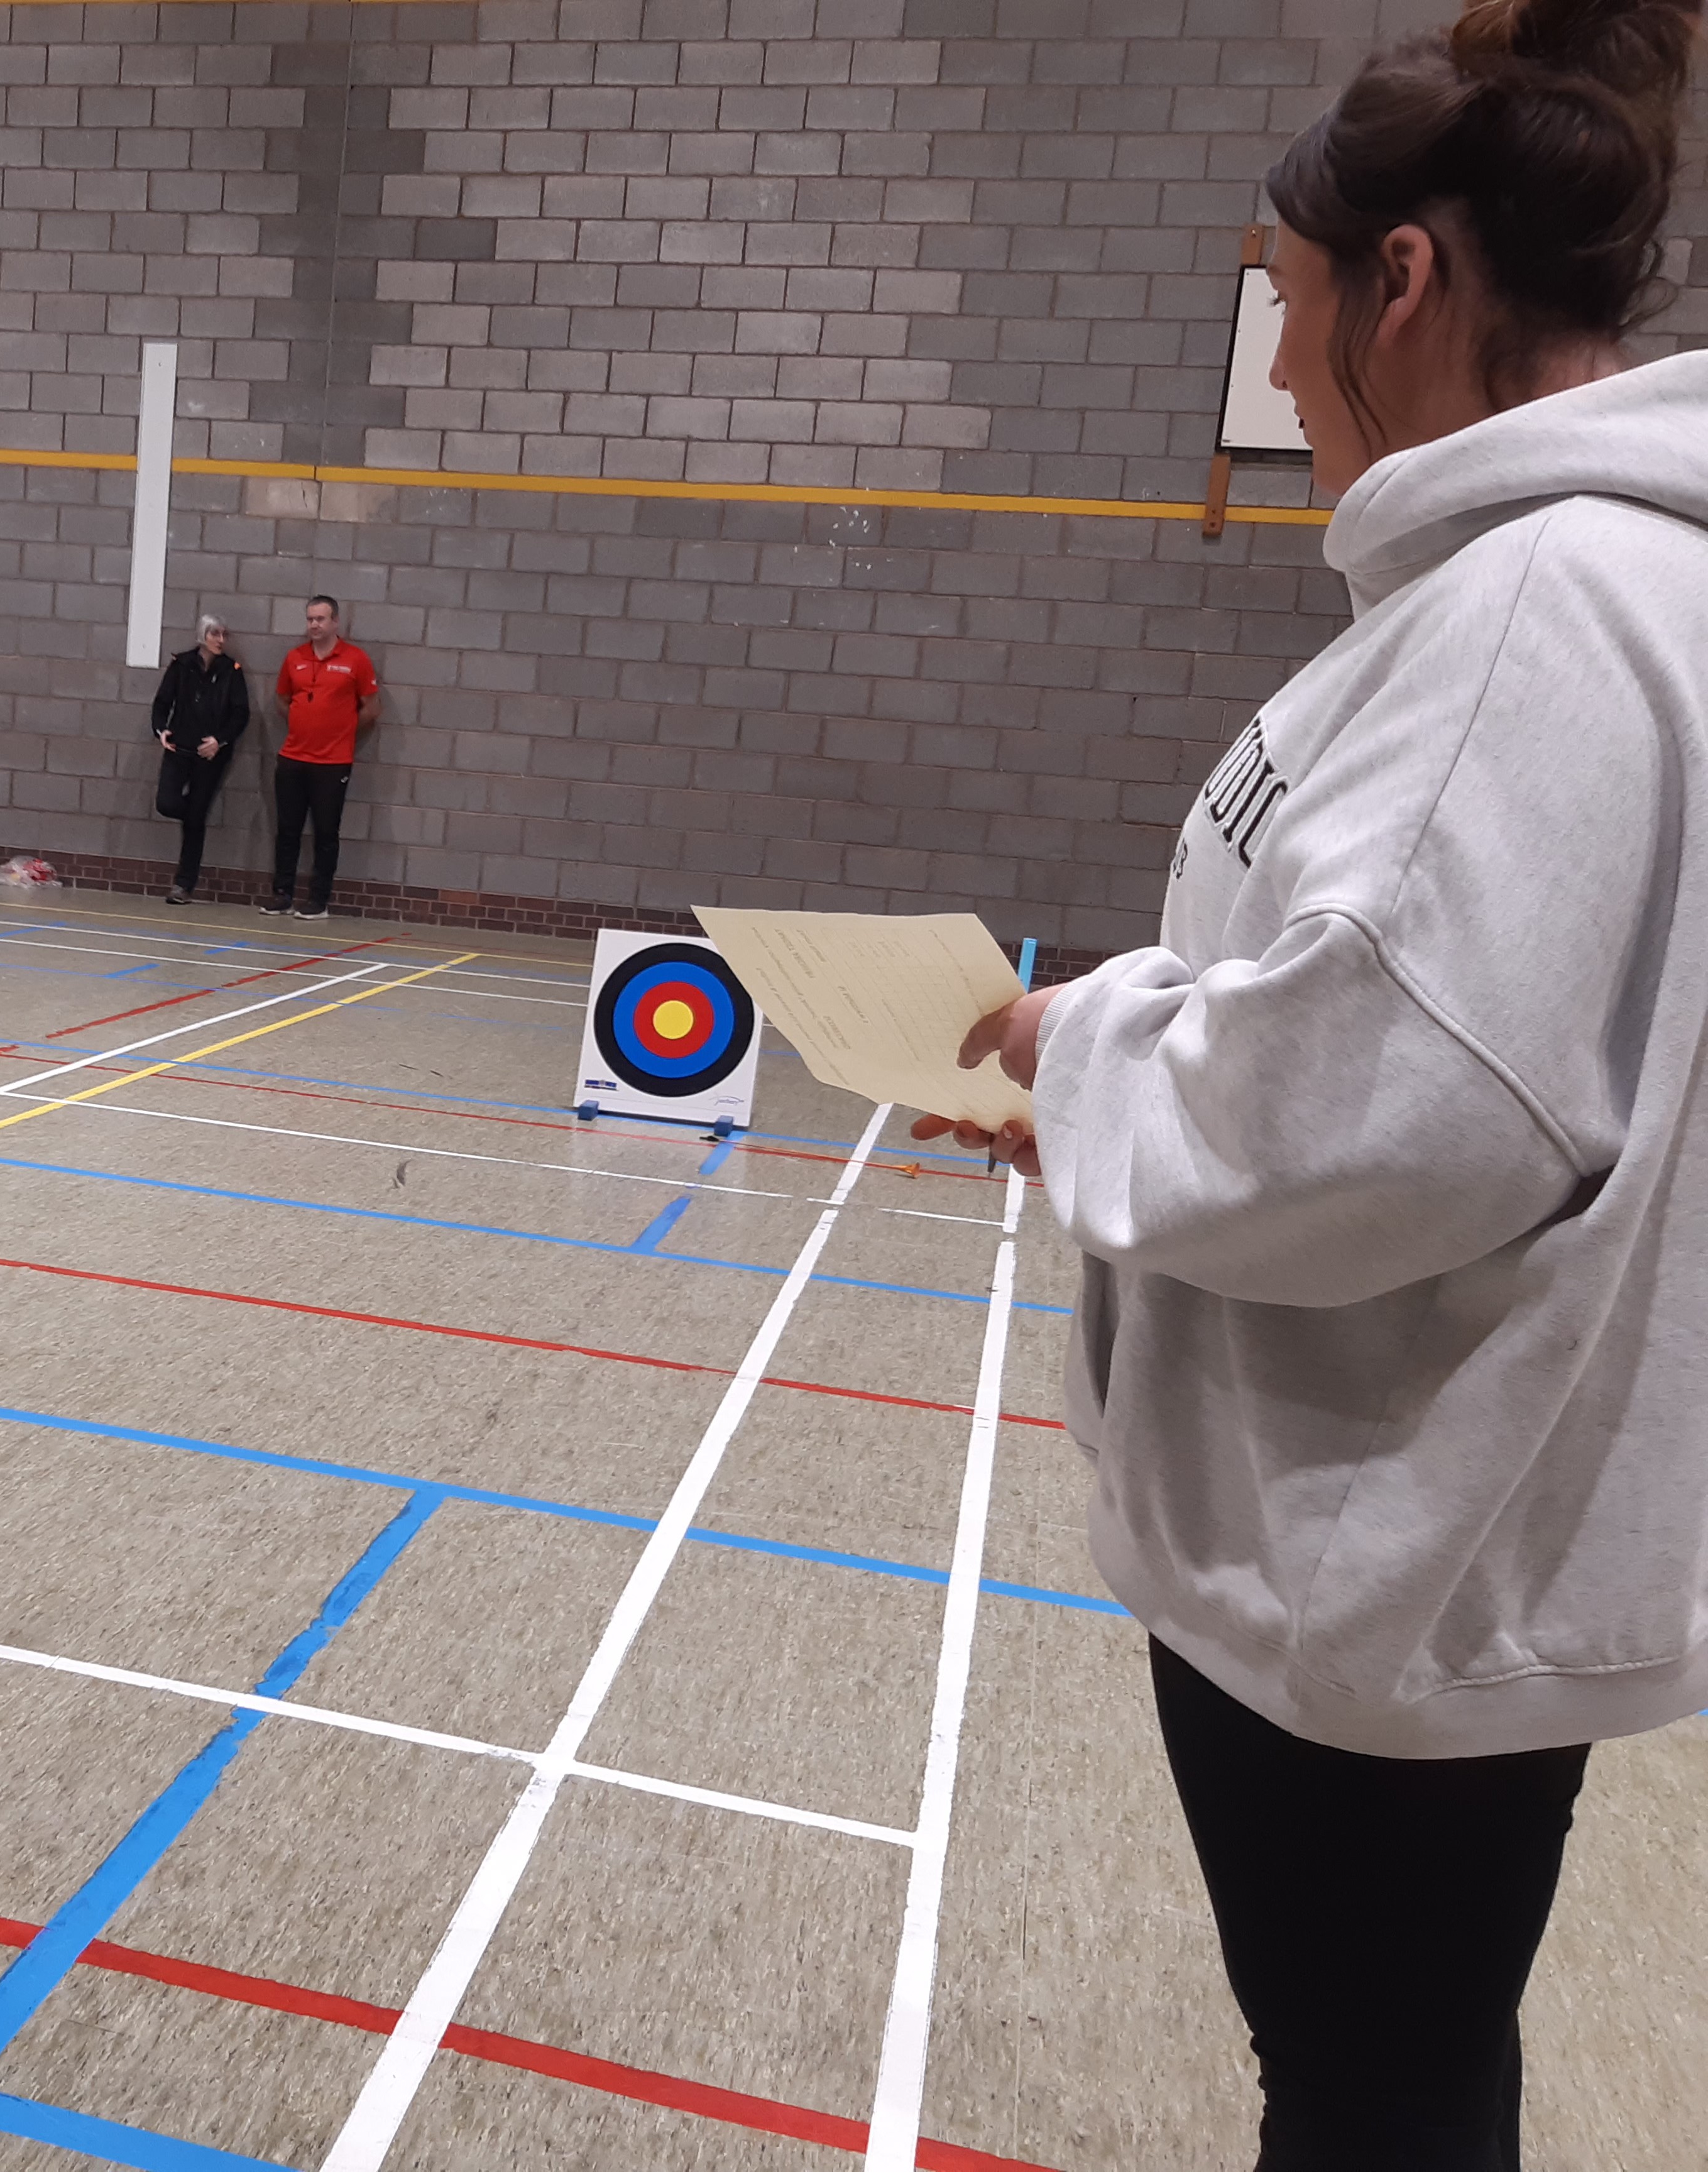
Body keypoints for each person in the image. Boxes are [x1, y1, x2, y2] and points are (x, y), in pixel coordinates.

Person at [919, 1, 1707, 2161]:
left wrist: (1093, 1052)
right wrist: (1105, 1062)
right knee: (1386, 2070)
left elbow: (1402, 1095)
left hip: (1385, 1545)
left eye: (1278, 304)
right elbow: (1387, 997)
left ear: (1402, 280)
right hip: (1406, 1528)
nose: (1268, 370)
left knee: (1370, 2090)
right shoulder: (1533, 589)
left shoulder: (1548, 601)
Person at [264, 593, 379, 919]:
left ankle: (318, 900)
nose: (314, 625)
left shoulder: (356, 659)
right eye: (310, 619)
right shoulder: (295, 658)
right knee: (287, 829)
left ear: (335, 622)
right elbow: (282, 700)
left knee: (326, 833)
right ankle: (282, 894)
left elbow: (372, 708)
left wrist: (340, 733)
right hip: (293, 758)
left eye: (321, 619)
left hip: (332, 763)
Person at [150, 613, 248, 902]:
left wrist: (220, 741)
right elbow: (162, 702)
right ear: (202, 636)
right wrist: (161, 730)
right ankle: (193, 814)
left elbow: (241, 713)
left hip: (210, 755)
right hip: (179, 749)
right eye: (214, 634)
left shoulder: (232, 670)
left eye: (223, 635)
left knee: (195, 823)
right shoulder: (181, 665)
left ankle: (184, 885)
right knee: (167, 803)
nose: (220, 640)